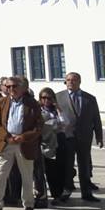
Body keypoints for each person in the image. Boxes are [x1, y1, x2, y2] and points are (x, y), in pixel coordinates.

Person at [0, 75, 42, 210]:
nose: (11, 89)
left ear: (23, 88)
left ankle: (28, 204)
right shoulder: (2, 102)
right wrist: (6, 137)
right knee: (0, 173)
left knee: (27, 175)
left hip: (25, 144)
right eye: (8, 86)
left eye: (14, 86)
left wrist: (24, 137)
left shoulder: (32, 103)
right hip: (6, 143)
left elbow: (39, 125)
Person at [55, 72, 102, 203]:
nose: (71, 82)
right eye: (68, 80)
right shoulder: (58, 97)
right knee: (67, 165)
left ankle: (86, 193)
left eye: (74, 80)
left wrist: (99, 136)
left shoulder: (90, 99)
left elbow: (96, 118)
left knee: (84, 166)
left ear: (79, 81)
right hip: (66, 137)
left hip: (84, 138)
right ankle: (66, 190)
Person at [35, 87, 68, 207]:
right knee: (42, 171)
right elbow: (40, 125)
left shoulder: (56, 110)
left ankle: (57, 194)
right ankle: (41, 196)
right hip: (43, 142)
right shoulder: (38, 110)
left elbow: (65, 123)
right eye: (43, 98)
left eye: (49, 98)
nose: (46, 100)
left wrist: (58, 108)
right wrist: (54, 124)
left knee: (56, 170)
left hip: (57, 141)